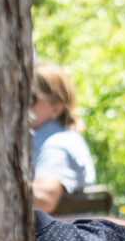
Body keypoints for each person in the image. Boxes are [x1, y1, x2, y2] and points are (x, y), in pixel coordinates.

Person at [31, 61, 96, 212]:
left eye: (30, 99)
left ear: (56, 108)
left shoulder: (56, 145)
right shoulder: (58, 139)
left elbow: (44, 199)